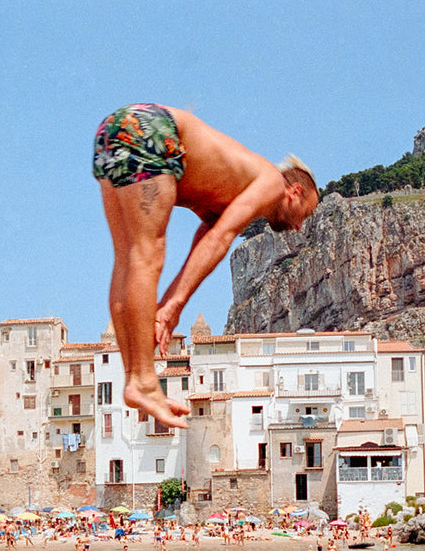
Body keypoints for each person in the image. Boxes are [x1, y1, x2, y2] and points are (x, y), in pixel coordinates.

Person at [93, 104, 319, 428]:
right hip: (152, 130)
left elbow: (208, 236)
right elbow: (221, 238)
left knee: (128, 257)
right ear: (295, 192)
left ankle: (134, 379)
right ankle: (142, 380)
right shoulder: (271, 182)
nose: (300, 227)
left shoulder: (236, 187)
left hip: (113, 131)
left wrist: (169, 305)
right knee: (147, 253)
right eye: (306, 215)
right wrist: (173, 308)